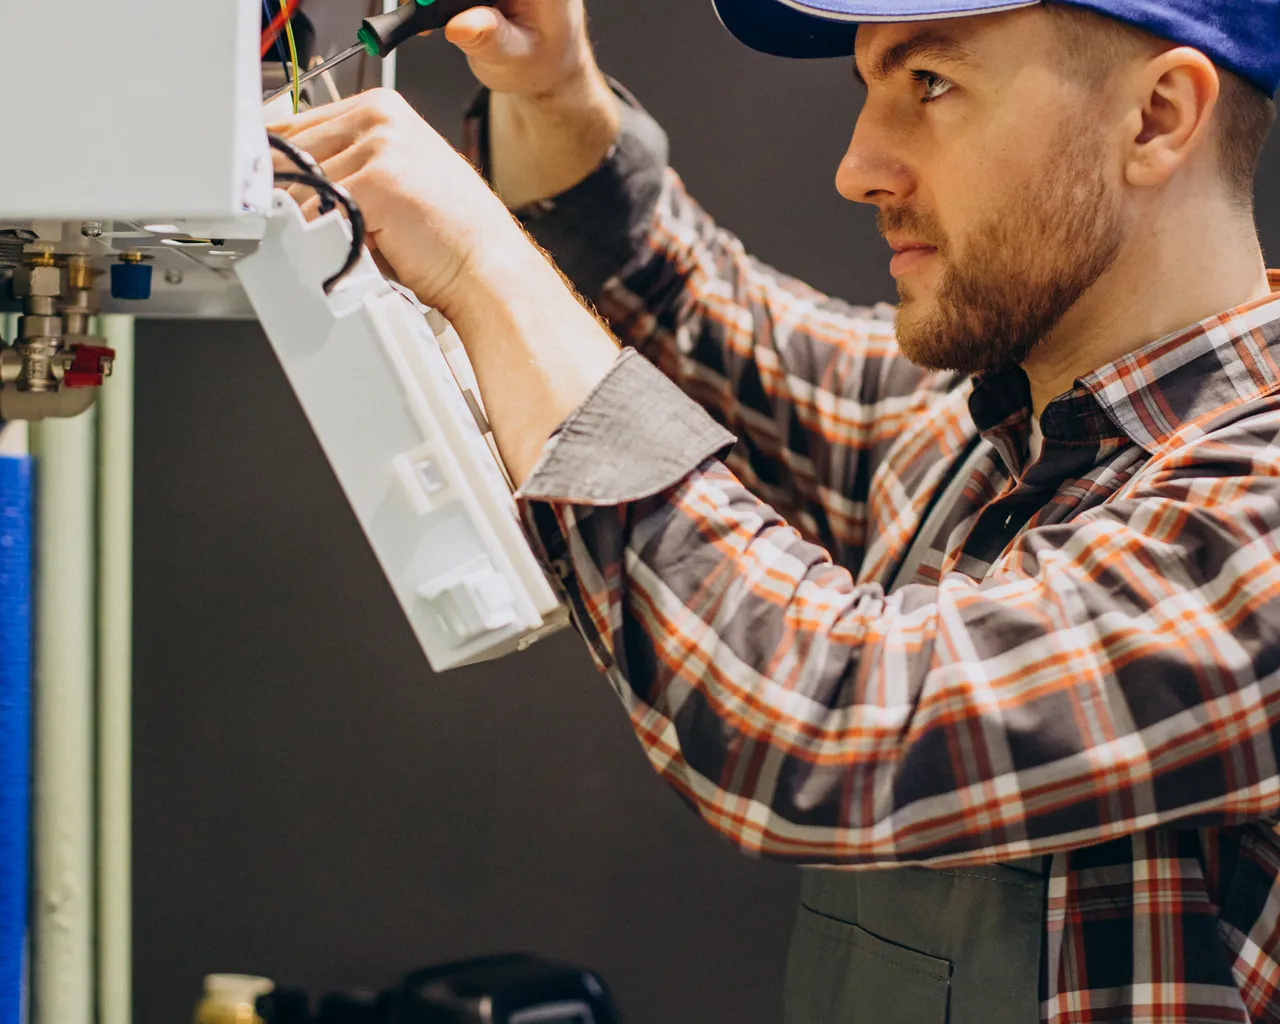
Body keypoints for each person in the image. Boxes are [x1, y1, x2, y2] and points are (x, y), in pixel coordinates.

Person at [270, 0, 1280, 1020]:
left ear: (1154, 118)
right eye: (868, 90)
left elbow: (835, 720)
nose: (857, 167)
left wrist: (481, 268)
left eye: (930, 85)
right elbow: (710, 325)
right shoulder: (986, 428)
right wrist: (552, 94)